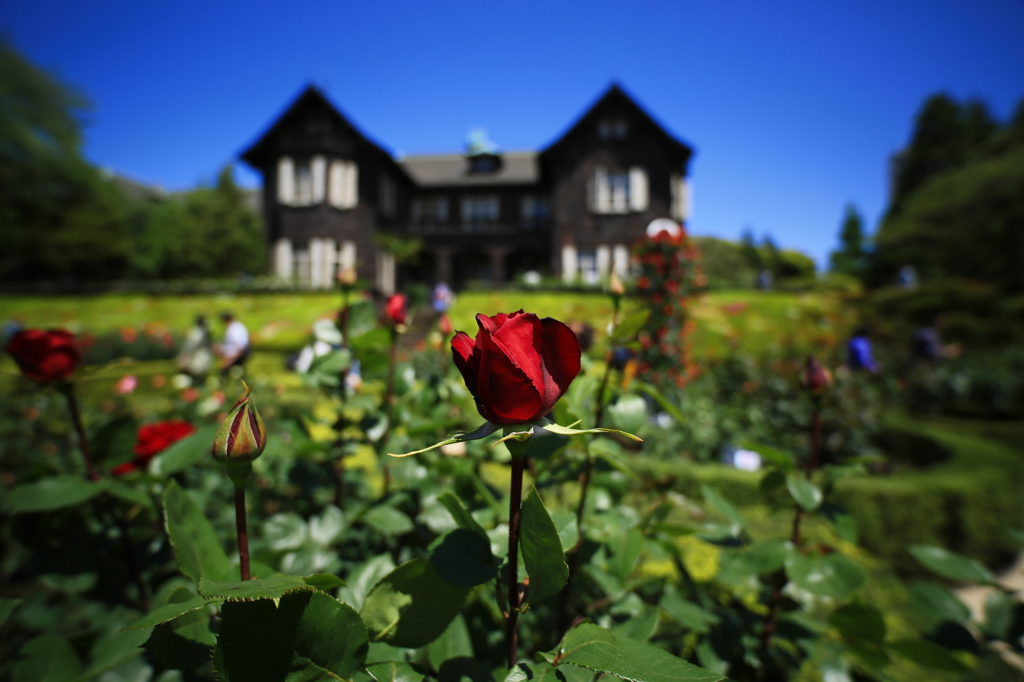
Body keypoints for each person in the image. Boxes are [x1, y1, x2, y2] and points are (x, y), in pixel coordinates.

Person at [177, 315, 213, 381]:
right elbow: (190, 347)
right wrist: (185, 357)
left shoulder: (203, 332)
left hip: (202, 361)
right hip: (196, 361)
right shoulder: (197, 332)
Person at [218, 312, 250, 377]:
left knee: (228, 373)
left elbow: (239, 346)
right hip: (236, 354)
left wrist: (230, 360)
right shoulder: (235, 327)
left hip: (237, 354)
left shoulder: (234, 329)